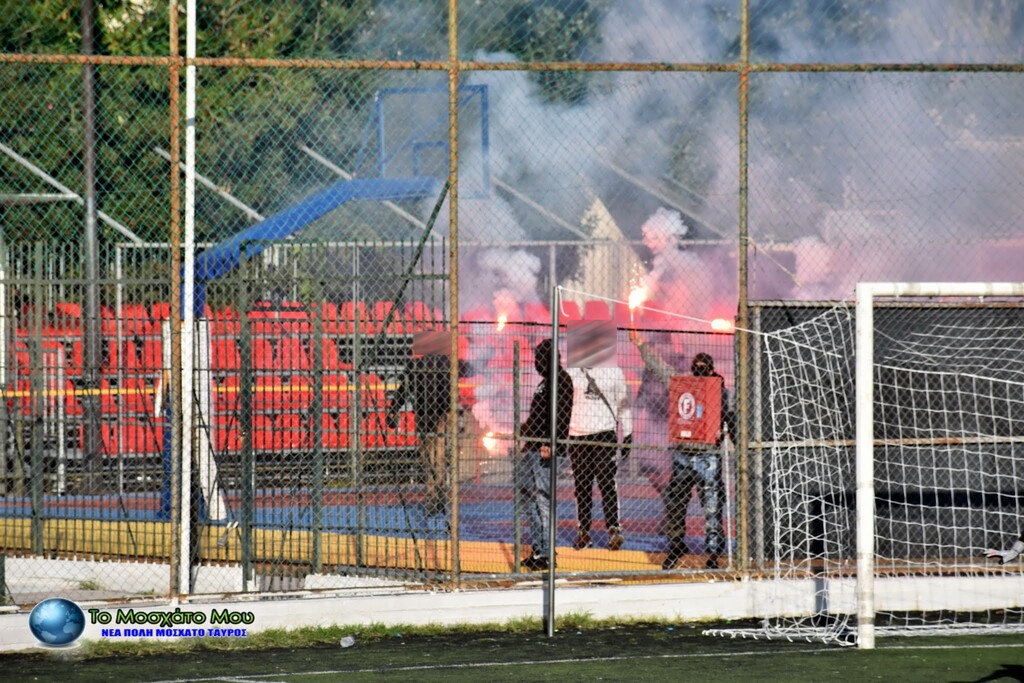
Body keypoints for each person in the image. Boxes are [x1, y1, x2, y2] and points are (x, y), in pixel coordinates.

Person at [629, 327, 736, 570]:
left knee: (711, 507)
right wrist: (640, 343)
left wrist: (734, 442)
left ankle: (713, 553)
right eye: (695, 366)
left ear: (710, 370)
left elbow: (731, 419)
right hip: (683, 455)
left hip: (708, 455)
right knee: (676, 503)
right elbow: (658, 367)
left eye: (702, 367)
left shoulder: (720, 392)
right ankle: (676, 545)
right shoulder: (683, 385)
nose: (698, 371)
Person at [386, 331, 473, 516]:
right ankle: (438, 495)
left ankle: (436, 496)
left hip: (431, 414)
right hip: (439, 413)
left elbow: (403, 390)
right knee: (437, 457)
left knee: (432, 458)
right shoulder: (446, 362)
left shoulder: (419, 365)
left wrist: (394, 408)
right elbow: (470, 370)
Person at [566, 348, 634, 551]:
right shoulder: (572, 372)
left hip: (604, 433)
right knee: (582, 486)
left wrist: (628, 432)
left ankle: (613, 529)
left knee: (607, 483)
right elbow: (564, 404)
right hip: (578, 434)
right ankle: (584, 532)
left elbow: (623, 404)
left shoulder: (613, 371)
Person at [517, 338, 574, 571]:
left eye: (540, 359)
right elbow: (537, 415)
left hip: (547, 449)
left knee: (543, 500)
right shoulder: (545, 382)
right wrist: (524, 431)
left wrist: (548, 442)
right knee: (529, 498)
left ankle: (548, 553)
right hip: (533, 448)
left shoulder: (561, 380)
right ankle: (539, 549)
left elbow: (559, 416)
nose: (536, 363)